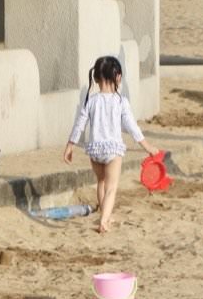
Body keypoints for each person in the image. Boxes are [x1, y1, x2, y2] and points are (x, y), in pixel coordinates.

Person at [63, 56, 159, 233]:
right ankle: (104, 220)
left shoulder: (91, 101)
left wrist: (70, 145)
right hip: (113, 150)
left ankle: (103, 214)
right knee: (112, 188)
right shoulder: (120, 101)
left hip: (94, 149)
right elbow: (131, 126)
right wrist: (147, 146)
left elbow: (79, 124)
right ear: (118, 77)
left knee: (101, 182)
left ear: (97, 79)